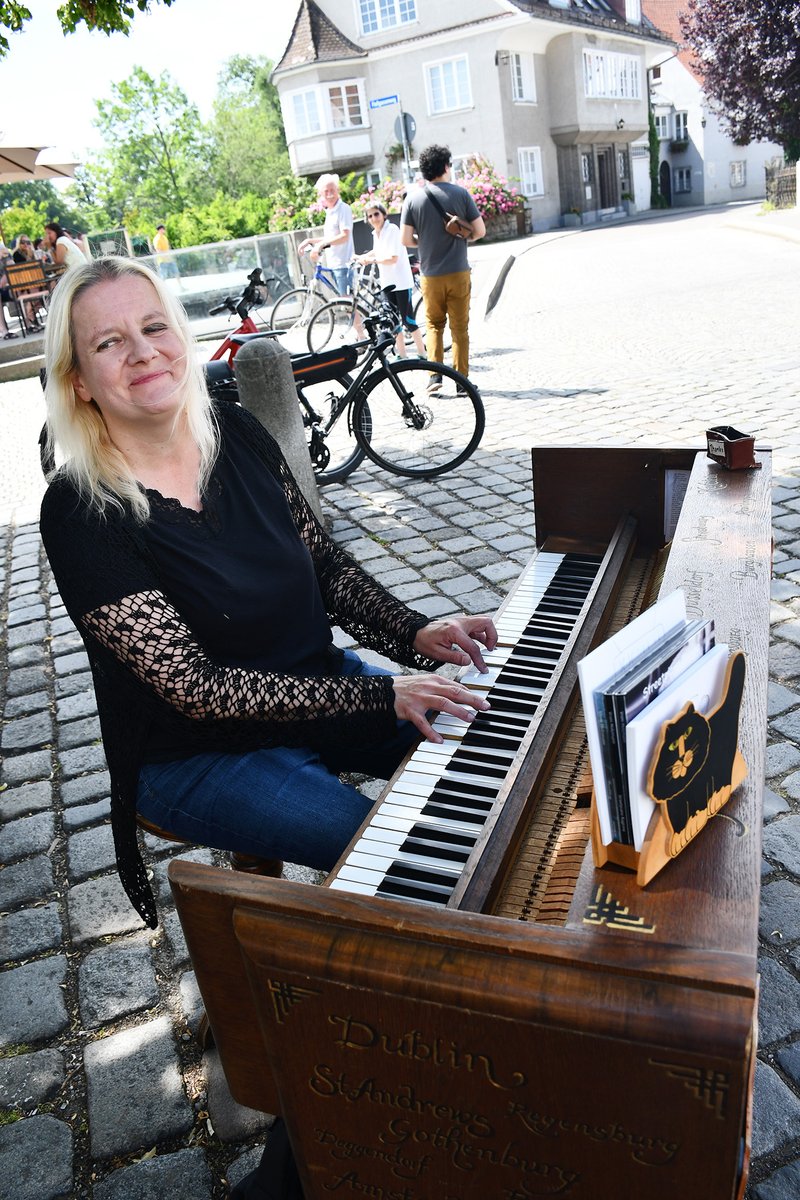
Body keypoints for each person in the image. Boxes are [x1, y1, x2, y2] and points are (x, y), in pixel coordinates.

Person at [39, 255, 497, 934]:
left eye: (153, 327)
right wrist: (383, 694)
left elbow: (324, 567)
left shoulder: (238, 432)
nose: (143, 353)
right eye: (109, 343)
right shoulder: (80, 512)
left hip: (316, 686)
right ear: (78, 382)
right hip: (195, 753)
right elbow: (197, 690)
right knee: (397, 850)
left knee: (489, 760)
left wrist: (414, 634)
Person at [400, 144, 485, 391]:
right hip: (458, 271)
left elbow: (406, 240)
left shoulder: (413, 199)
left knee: (434, 325)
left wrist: (424, 242)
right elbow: (480, 231)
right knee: (460, 328)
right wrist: (461, 237)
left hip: (431, 275)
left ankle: (434, 378)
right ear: (446, 166)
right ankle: (462, 384)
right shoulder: (461, 194)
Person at [356, 203, 425, 358]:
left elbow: (392, 258)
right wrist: (362, 257)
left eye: (376, 214)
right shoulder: (376, 233)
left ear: (383, 214)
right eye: (370, 216)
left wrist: (370, 261)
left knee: (408, 320)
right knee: (392, 320)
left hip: (401, 282)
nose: (374, 218)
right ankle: (402, 355)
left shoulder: (392, 229)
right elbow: (379, 251)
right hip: (387, 283)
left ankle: (422, 353)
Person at [297, 173, 355, 296]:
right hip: (334, 263)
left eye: (332, 190)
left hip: (343, 263)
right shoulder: (330, 212)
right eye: (326, 191)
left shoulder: (343, 208)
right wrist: (310, 241)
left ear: (338, 190)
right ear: (321, 194)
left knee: (349, 304)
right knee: (346, 304)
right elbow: (331, 237)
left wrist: (320, 245)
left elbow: (345, 236)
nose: (330, 194)